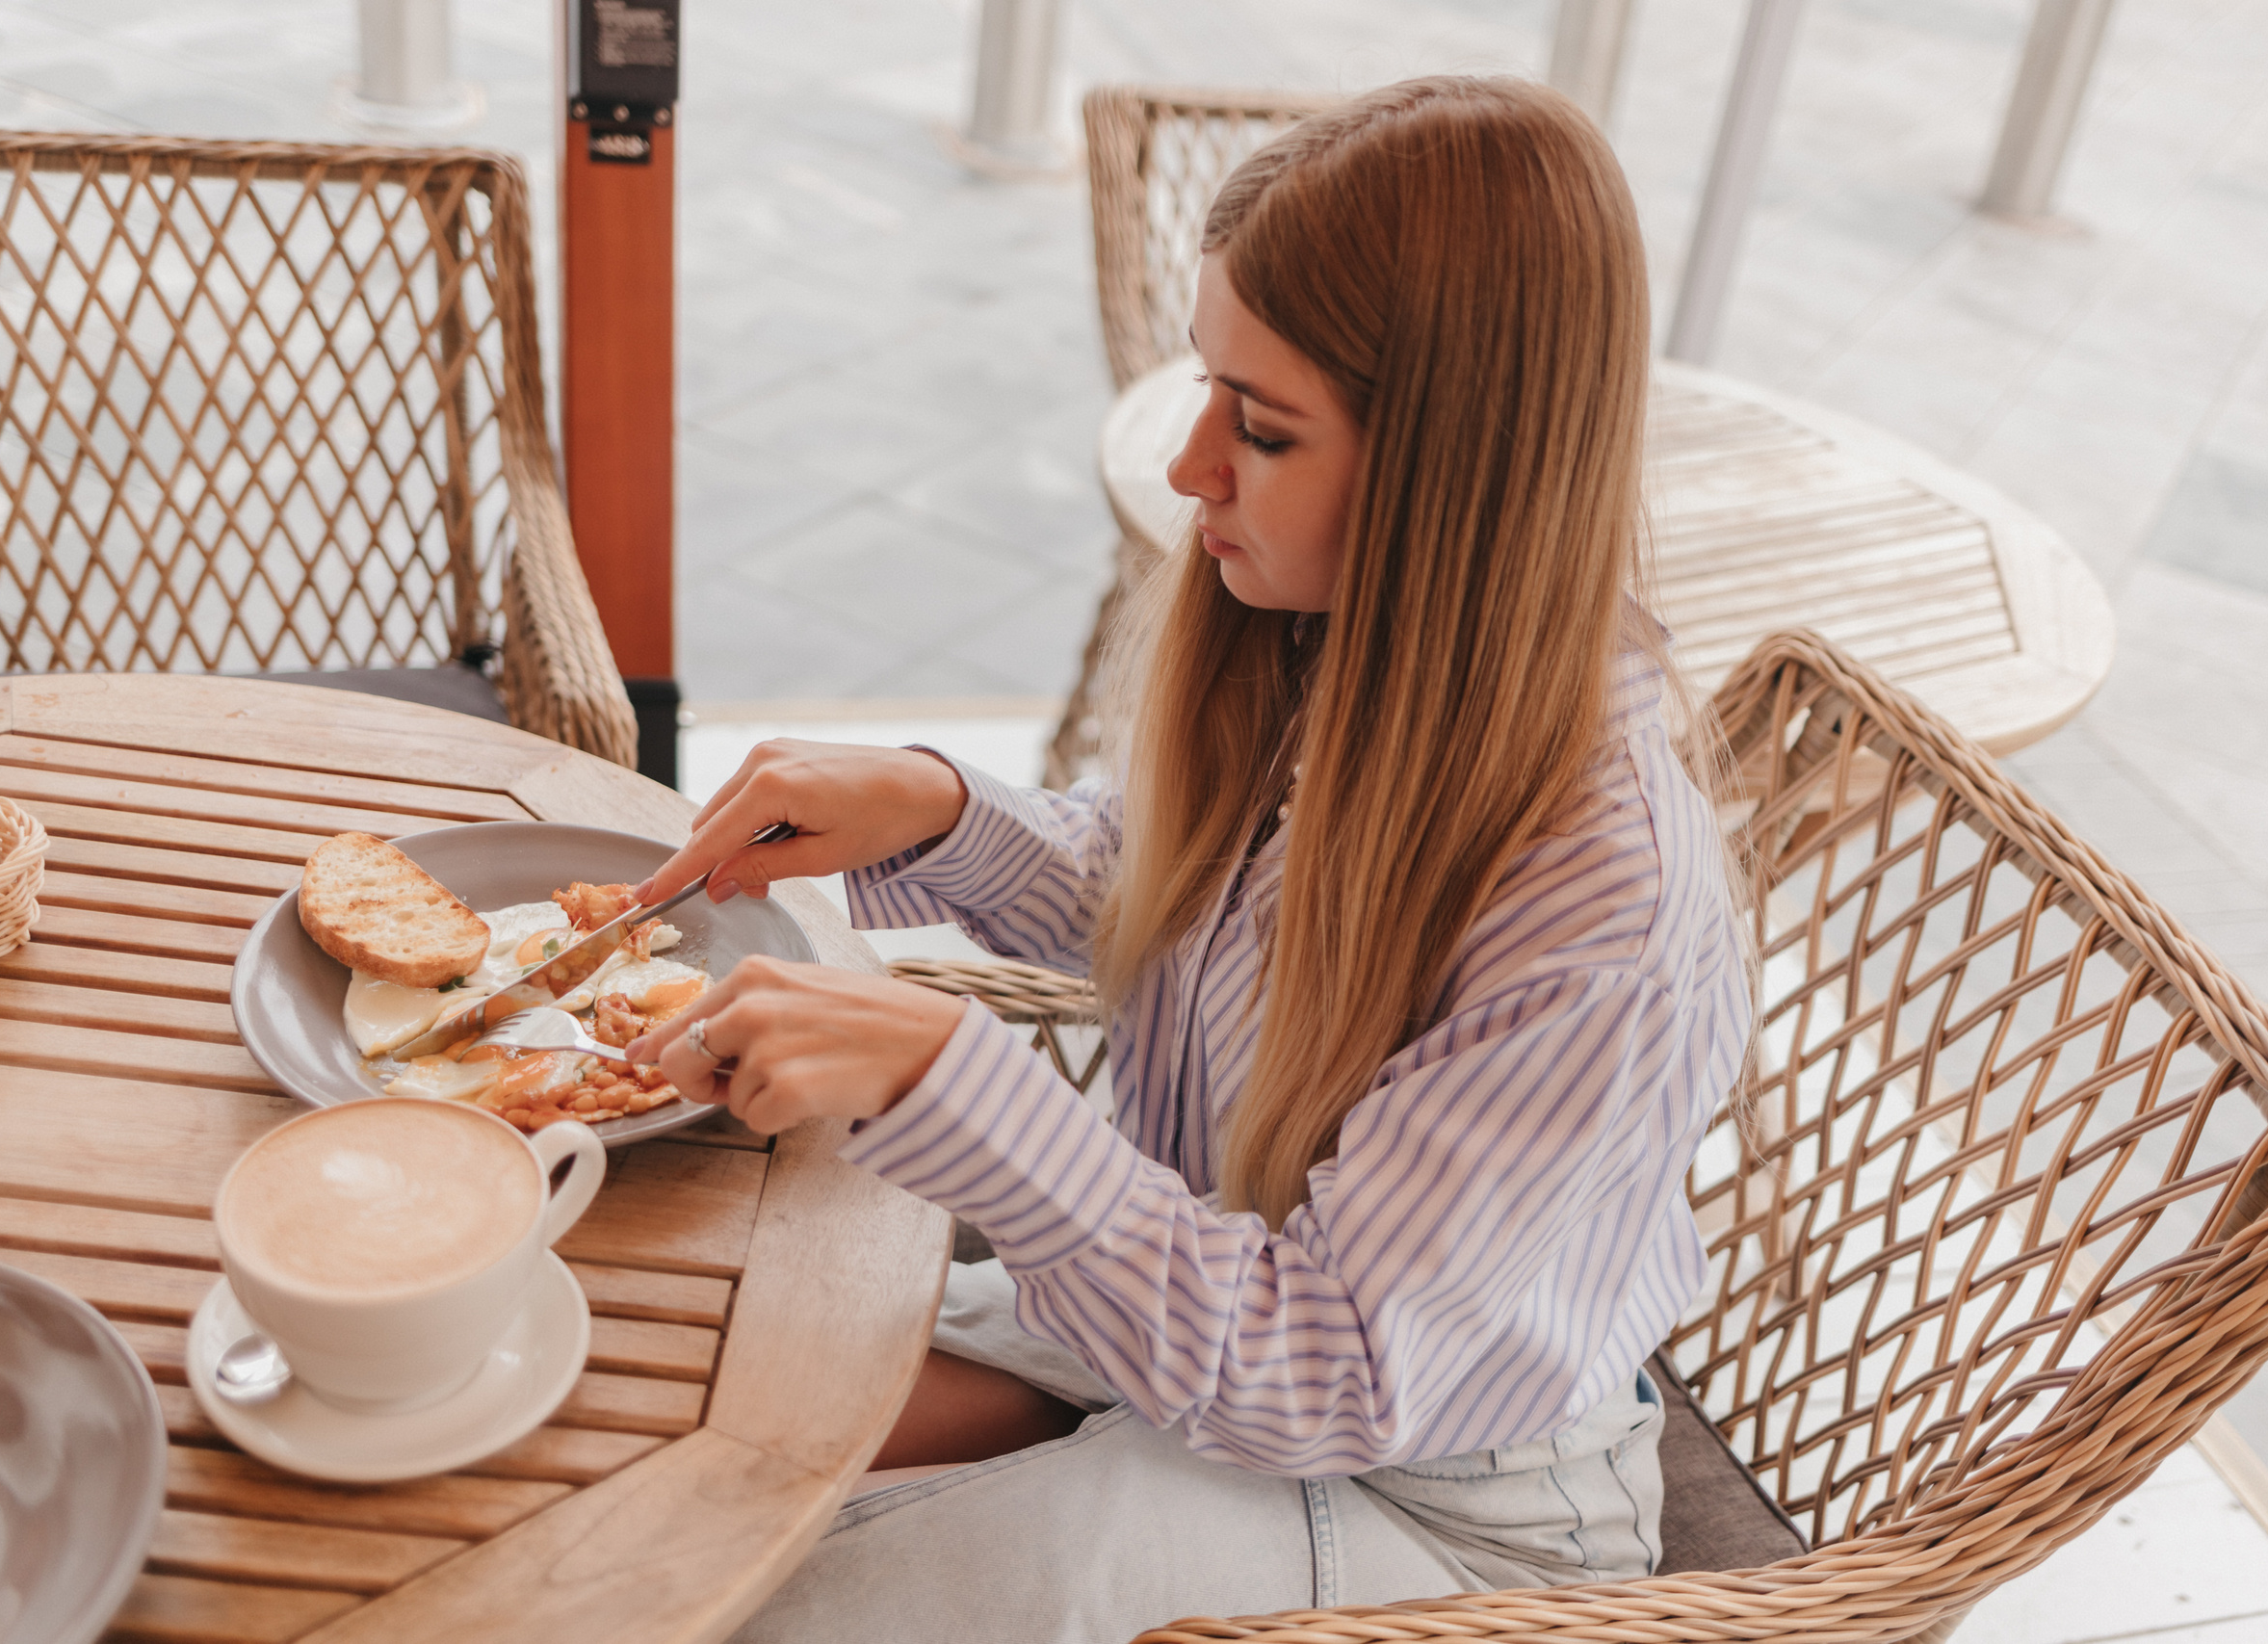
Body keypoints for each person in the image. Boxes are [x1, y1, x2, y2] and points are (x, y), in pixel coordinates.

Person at [623, 73, 1752, 1644]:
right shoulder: (1336, 649)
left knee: (764, 1605)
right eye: (1208, 389)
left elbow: (1333, 1370)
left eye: (1265, 427)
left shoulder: (1605, 905)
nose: (1191, 466)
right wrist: (947, 812)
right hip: (1196, 1334)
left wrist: (963, 1087)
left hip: (1446, 1500)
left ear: (1454, 476)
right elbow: (1203, 918)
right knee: (681, 1452)